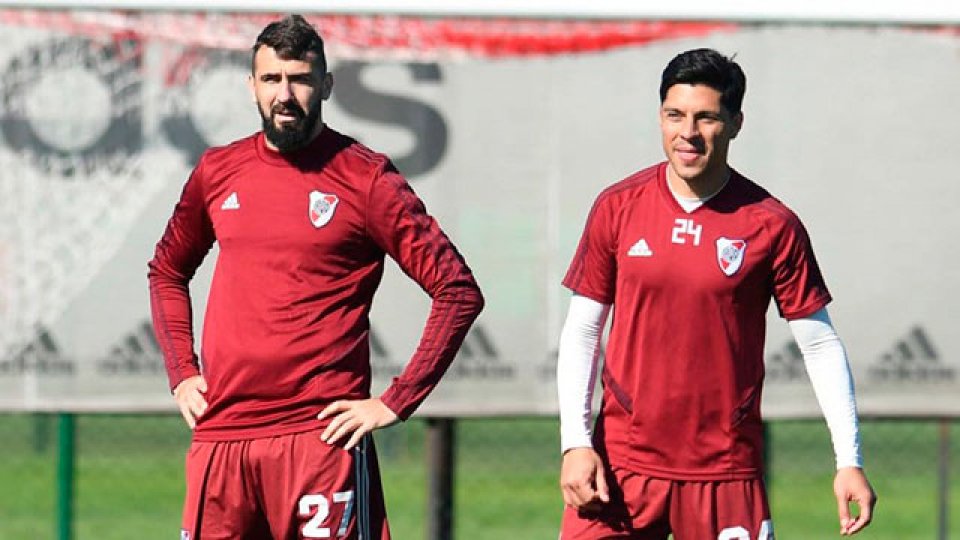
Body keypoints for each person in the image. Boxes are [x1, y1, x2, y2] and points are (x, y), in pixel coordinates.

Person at [148, 14, 483, 540]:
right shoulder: (217, 171)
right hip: (222, 435)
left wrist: (395, 401)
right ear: (252, 86)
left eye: (300, 79)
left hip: (319, 440)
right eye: (272, 79)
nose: (285, 95)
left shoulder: (365, 177)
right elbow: (167, 269)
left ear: (325, 85)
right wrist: (181, 371)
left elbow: (457, 291)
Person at [557, 48, 876, 539]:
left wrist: (848, 460)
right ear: (660, 117)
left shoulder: (772, 225)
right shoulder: (618, 207)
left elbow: (819, 345)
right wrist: (576, 443)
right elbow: (583, 331)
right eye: (674, 115)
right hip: (620, 465)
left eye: (705, 117)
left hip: (726, 471)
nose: (687, 132)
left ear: (735, 124)